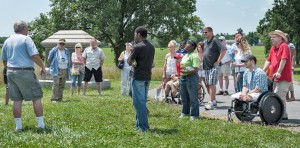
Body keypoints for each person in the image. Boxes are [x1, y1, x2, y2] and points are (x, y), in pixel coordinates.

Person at [1, 20, 46, 131]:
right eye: (27, 28)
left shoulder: (7, 41)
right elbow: (35, 56)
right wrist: (43, 67)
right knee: (36, 97)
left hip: (11, 72)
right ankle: (41, 125)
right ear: (24, 28)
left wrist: (9, 70)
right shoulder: (26, 39)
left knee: (16, 100)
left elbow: (4, 60)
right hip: (24, 71)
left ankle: (18, 127)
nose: (28, 30)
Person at [128, 26, 155, 132]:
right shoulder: (152, 46)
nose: (134, 36)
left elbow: (130, 62)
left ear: (139, 34)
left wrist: (133, 62)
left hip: (138, 77)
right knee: (141, 101)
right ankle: (139, 125)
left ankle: (143, 127)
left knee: (139, 103)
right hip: (147, 76)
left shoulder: (137, 47)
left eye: (135, 34)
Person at [263, 30, 292, 120]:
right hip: (276, 78)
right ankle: (283, 114)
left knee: (278, 95)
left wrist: (279, 71)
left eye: (274, 36)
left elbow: (284, 59)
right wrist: (263, 70)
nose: (272, 38)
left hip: (284, 77)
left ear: (280, 38)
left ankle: (279, 114)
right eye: (272, 37)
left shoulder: (284, 46)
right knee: (280, 97)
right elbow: (268, 60)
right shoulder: (273, 48)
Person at [202, 27, 227, 110]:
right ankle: (214, 101)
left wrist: (218, 60)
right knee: (209, 84)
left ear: (211, 32)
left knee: (212, 84)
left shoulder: (215, 40)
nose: (204, 34)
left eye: (205, 32)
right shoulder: (206, 42)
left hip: (214, 66)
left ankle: (211, 102)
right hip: (207, 66)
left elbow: (223, 49)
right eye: (203, 32)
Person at [179, 40, 200, 120]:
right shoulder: (185, 55)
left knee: (193, 98)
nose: (185, 45)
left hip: (191, 78)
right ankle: (185, 112)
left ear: (192, 46)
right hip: (183, 78)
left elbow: (196, 69)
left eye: (187, 44)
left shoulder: (194, 56)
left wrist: (185, 71)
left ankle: (194, 115)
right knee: (184, 98)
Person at [48, 38, 71, 102]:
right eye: (60, 43)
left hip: (65, 69)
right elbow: (49, 59)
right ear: (57, 44)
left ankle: (59, 98)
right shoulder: (54, 50)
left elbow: (68, 59)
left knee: (62, 85)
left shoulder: (67, 51)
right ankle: (54, 99)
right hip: (56, 70)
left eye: (63, 44)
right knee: (56, 84)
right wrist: (53, 66)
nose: (62, 45)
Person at [285, 34, 296, 101]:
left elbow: (293, 56)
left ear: (288, 38)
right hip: (283, 65)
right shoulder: (281, 45)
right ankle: (287, 96)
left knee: (290, 81)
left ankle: (292, 96)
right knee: (284, 81)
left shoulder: (291, 45)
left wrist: (292, 65)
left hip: (289, 66)